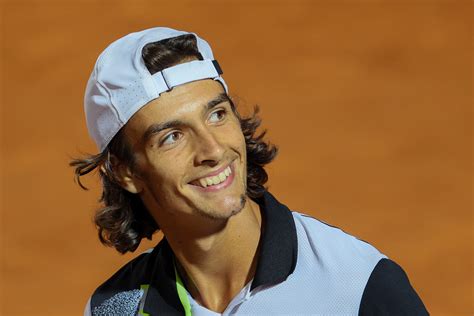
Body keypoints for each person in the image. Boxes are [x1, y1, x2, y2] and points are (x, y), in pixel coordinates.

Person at [71, 27, 428, 315]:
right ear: (125, 172)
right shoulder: (116, 309)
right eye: (173, 137)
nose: (212, 150)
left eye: (217, 115)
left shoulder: (356, 287)